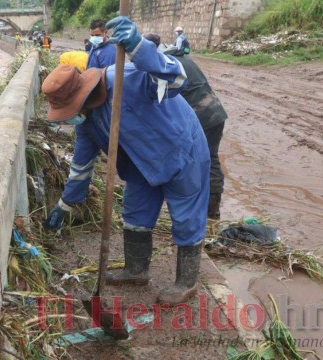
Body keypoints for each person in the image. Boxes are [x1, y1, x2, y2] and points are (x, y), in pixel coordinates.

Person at [42, 16, 210, 306]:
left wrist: (139, 48)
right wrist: (65, 204)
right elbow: (81, 167)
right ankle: (136, 269)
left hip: (182, 153)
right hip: (142, 166)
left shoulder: (126, 78)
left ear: (82, 95)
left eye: (70, 109)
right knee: (135, 215)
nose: (71, 118)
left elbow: (178, 78)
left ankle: (186, 282)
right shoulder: (86, 124)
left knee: (185, 218)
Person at [144, 32, 228, 220]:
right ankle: (211, 212)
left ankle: (200, 212)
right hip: (216, 113)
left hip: (201, 117)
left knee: (195, 161)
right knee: (211, 159)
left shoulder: (164, 64)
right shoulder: (179, 56)